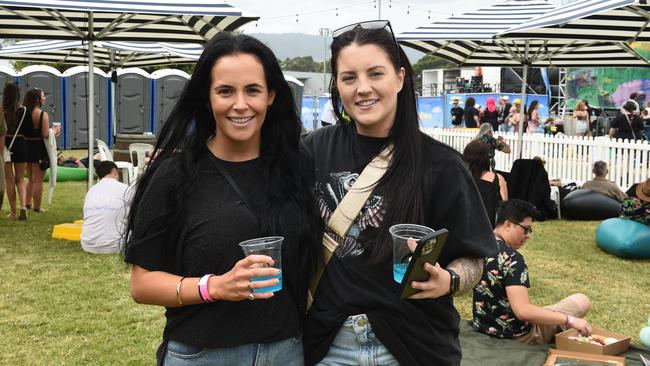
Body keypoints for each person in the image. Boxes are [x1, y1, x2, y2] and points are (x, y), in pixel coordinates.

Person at [303, 20, 497, 366]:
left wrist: (449, 280)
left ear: (400, 77)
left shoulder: (443, 165)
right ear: (338, 85)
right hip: (329, 343)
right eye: (349, 78)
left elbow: (474, 259)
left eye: (375, 74)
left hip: (414, 344)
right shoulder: (314, 150)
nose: (363, 88)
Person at [123, 33, 322, 365]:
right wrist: (214, 287)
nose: (240, 105)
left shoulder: (297, 166)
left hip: (287, 352)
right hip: (204, 354)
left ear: (271, 95)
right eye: (225, 91)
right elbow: (142, 285)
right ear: (207, 97)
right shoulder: (175, 174)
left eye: (253, 90)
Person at [473, 199, 592, 344]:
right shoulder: (512, 259)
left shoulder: (478, 245)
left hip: (483, 327)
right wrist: (570, 320)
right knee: (582, 300)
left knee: (548, 312)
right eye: (526, 229)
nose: (528, 235)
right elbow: (523, 312)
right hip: (517, 336)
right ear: (508, 225)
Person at [81, 161, 131, 254]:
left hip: (87, 244)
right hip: (117, 245)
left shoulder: (91, 191)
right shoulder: (125, 189)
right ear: (114, 171)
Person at [463, 140, 507, 228]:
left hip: (464, 228)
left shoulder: (460, 176)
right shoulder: (497, 179)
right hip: (489, 230)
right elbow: (504, 207)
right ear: (486, 157)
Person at [2, 83, 28, 220]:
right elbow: (29, 131)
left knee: (9, 180)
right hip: (20, 145)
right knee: (21, 179)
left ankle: (13, 212)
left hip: (5, 145)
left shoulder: (1, 111)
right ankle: (23, 206)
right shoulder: (24, 111)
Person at [23, 87, 50, 213]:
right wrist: (54, 132)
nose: (44, 98)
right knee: (38, 179)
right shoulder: (42, 114)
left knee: (30, 178)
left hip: (26, 146)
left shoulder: (23, 112)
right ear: (37, 99)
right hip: (38, 148)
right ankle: (37, 207)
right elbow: (45, 134)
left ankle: (27, 203)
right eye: (43, 96)